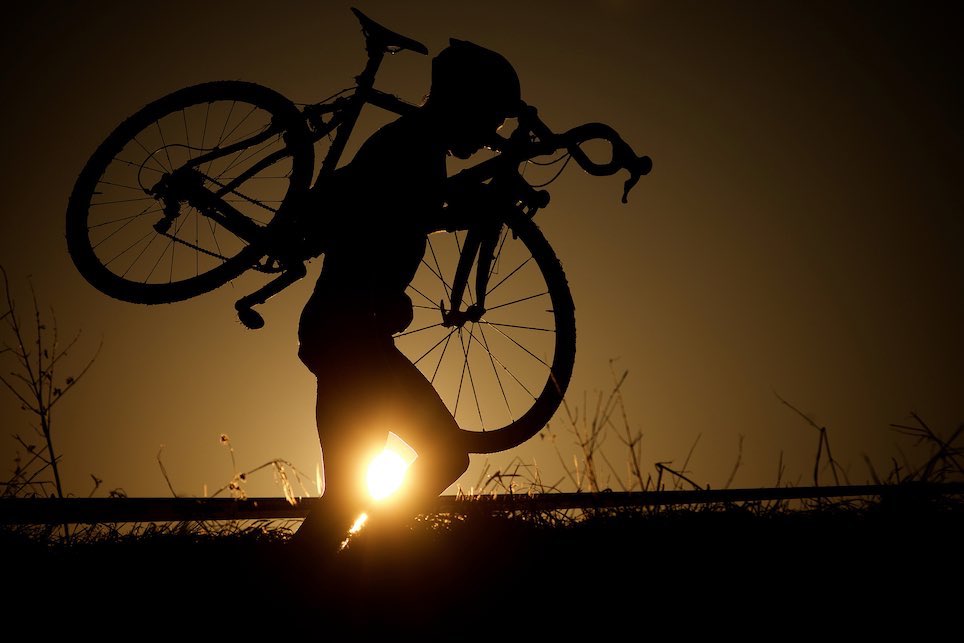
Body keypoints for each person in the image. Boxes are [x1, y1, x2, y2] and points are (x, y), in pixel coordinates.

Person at [291, 39, 522, 552]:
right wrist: (464, 206)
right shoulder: (411, 144)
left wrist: (461, 206)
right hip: (349, 331)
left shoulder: (416, 144)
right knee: (438, 456)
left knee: (352, 494)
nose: (490, 137)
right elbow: (393, 214)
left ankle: (343, 563)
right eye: (490, 120)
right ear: (464, 102)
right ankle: (369, 556)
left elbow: (417, 210)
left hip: (352, 334)